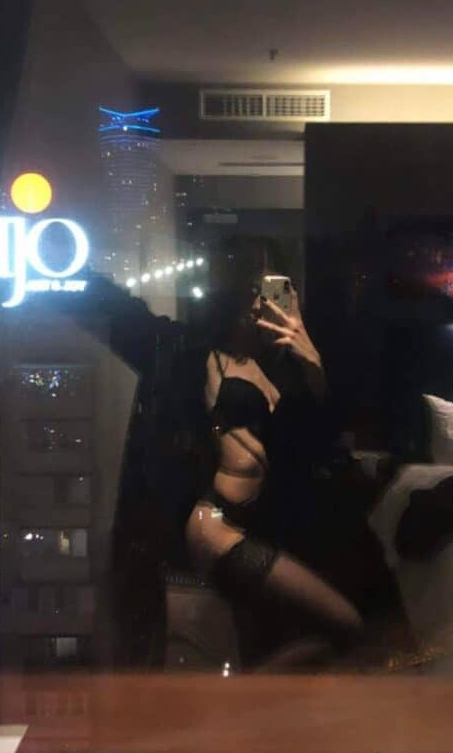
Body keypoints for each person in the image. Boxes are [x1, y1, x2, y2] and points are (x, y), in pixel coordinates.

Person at [185, 242, 363, 668]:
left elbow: (320, 435)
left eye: (271, 291)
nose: (259, 303)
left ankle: (253, 698)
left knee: (267, 641)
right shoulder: (209, 357)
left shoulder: (279, 366)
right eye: (252, 290)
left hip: (258, 525)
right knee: (347, 625)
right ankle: (248, 697)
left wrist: (312, 360)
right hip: (217, 524)